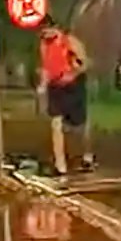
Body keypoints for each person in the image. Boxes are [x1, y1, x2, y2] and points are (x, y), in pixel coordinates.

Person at [37, 21, 93, 175]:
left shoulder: (70, 41)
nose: (45, 34)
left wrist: (74, 72)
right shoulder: (44, 45)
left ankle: (87, 155)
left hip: (74, 85)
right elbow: (45, 67)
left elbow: (85, 63)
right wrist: (42, 84)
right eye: (43, 31)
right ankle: (60, 164)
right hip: (56, 86)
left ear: (56, 28)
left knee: (79, 124)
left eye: (48, 30)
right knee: (56, 123)